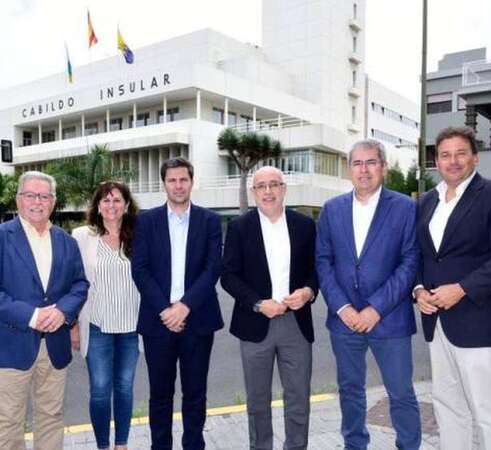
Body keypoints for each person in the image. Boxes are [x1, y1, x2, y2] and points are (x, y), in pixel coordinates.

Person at [414, 126, 491, 450]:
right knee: (448, 408)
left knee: (487, 411)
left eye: (460, 153)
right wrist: (419, 290)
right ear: (436, 161)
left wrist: (462, 288)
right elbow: (421, 256)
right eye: (445, 154)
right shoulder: (426, 202)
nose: (453, 161)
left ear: (475, 158)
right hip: (437, 322)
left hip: (482, 321)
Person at [316, 140, 422, 450]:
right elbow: (323, 262)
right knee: (350, 391)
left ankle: (408, 446)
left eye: (371, 162)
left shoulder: (405, 207)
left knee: (401, 392)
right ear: (349, 169)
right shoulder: (331, 209)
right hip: (344, 322)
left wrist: (376, 308)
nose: (364, 170)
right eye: (358, 163)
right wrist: (342, 307)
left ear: (383, 167)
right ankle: (355, 445)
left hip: (389, 319)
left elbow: (410, 261)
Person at [0, 170, 89, 450]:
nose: (38, 201)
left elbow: (80, 284)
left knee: (51, 417)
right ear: (18, 199)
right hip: (9, 344)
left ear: (53, 201)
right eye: (31, 195)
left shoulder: (66, 241)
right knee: (8, 423)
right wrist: (33, 316)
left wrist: (63, 312)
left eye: (44, 196)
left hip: (54, 346)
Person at [221, 166, 317, 450]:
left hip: (296, 324)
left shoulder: (304, 225)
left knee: (298, 397)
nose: (268, 191)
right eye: (261, 186)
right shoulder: (239, 228)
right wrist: (257, 303)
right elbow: (228, 275)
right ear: (253, 192)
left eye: (274, 184)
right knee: (257, 401)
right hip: (255, 323)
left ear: (284, 188)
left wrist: (309, 291)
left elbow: (317, 268)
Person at [131, 157, 223, 450]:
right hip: (158, 321)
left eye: (183, 179)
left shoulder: (209, 220)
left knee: (196, 393)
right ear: (164, 184)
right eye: (172, 180)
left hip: (198, 319)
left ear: (191, 182)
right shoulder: (146, 221)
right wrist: (166, 309)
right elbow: (140, 269)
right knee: (160, 394)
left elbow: (212, 268)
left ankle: (194, 445)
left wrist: (184, 306)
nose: (178, 185)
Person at [70, 181, 141, 450]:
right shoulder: (81, 236)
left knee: (124, 388)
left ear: (126, 205)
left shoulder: (138, 234)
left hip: (131, 327)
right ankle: (102, 445)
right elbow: (72, 282)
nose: (111, 205)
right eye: (106, 200)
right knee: (100, 390)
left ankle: (121, 444)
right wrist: (73, 324)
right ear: (98, 206)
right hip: (97, 325)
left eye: (117, 200)